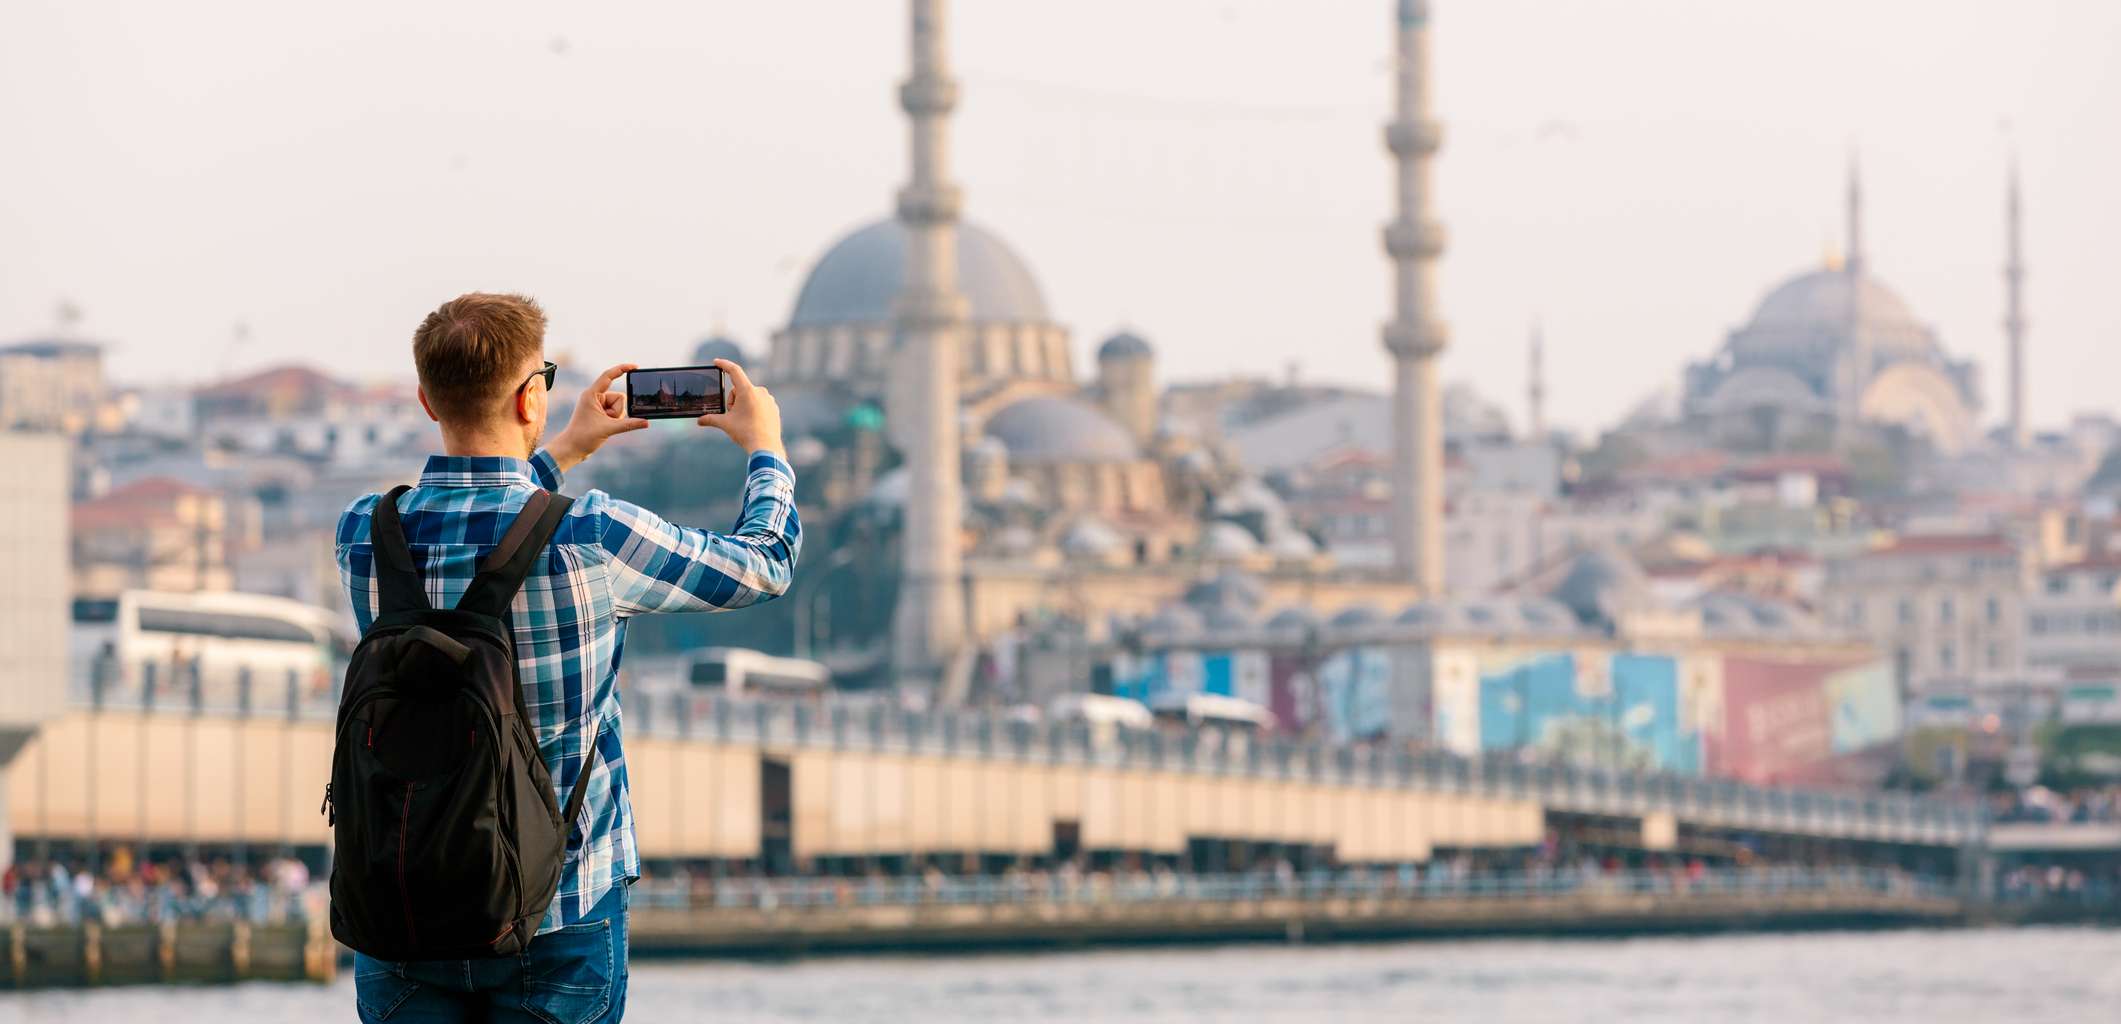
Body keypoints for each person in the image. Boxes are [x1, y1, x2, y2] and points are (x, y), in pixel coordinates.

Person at [335, 292, 800, 1023]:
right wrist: (764, 448)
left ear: (427, 399)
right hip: (560, 909)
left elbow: (485, 525)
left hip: (401, 904)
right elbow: (765, 563)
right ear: (531, 399)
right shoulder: (594, 536)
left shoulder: (365, 532)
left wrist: (567, 451)